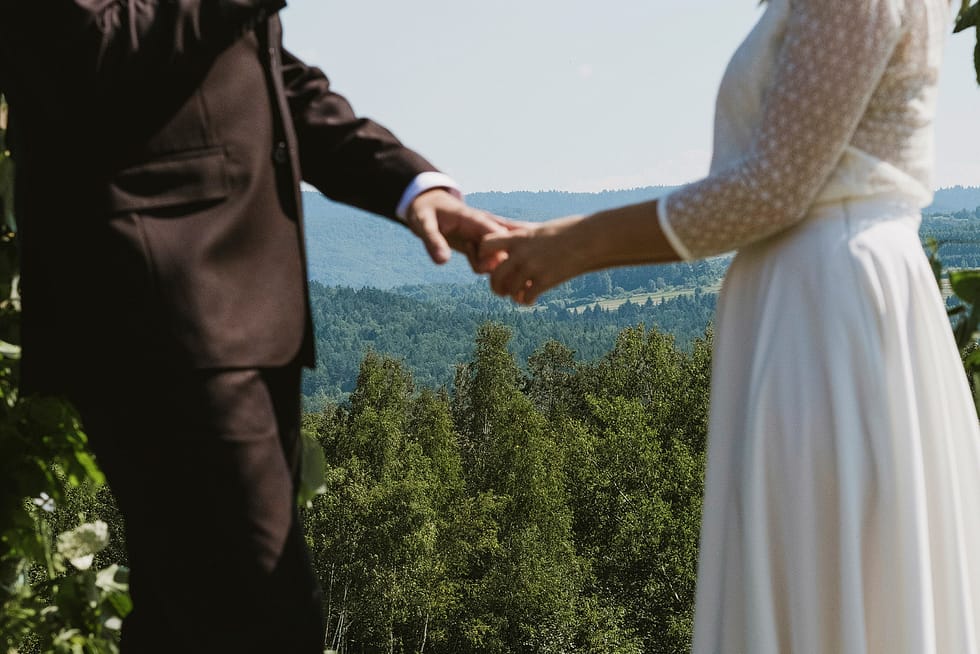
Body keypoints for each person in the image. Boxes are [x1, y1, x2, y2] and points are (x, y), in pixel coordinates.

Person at [0, 3, 506, 653]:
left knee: (189, 615)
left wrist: (410, 185)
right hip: (161, 302)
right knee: (262, 614)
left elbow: (268, 78)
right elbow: (82, 48)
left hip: (238, 311)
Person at [481, 0, 980, 651]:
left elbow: (772, 190)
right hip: (821, 290)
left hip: (827, 305)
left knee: (820, 574)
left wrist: (573, 245)